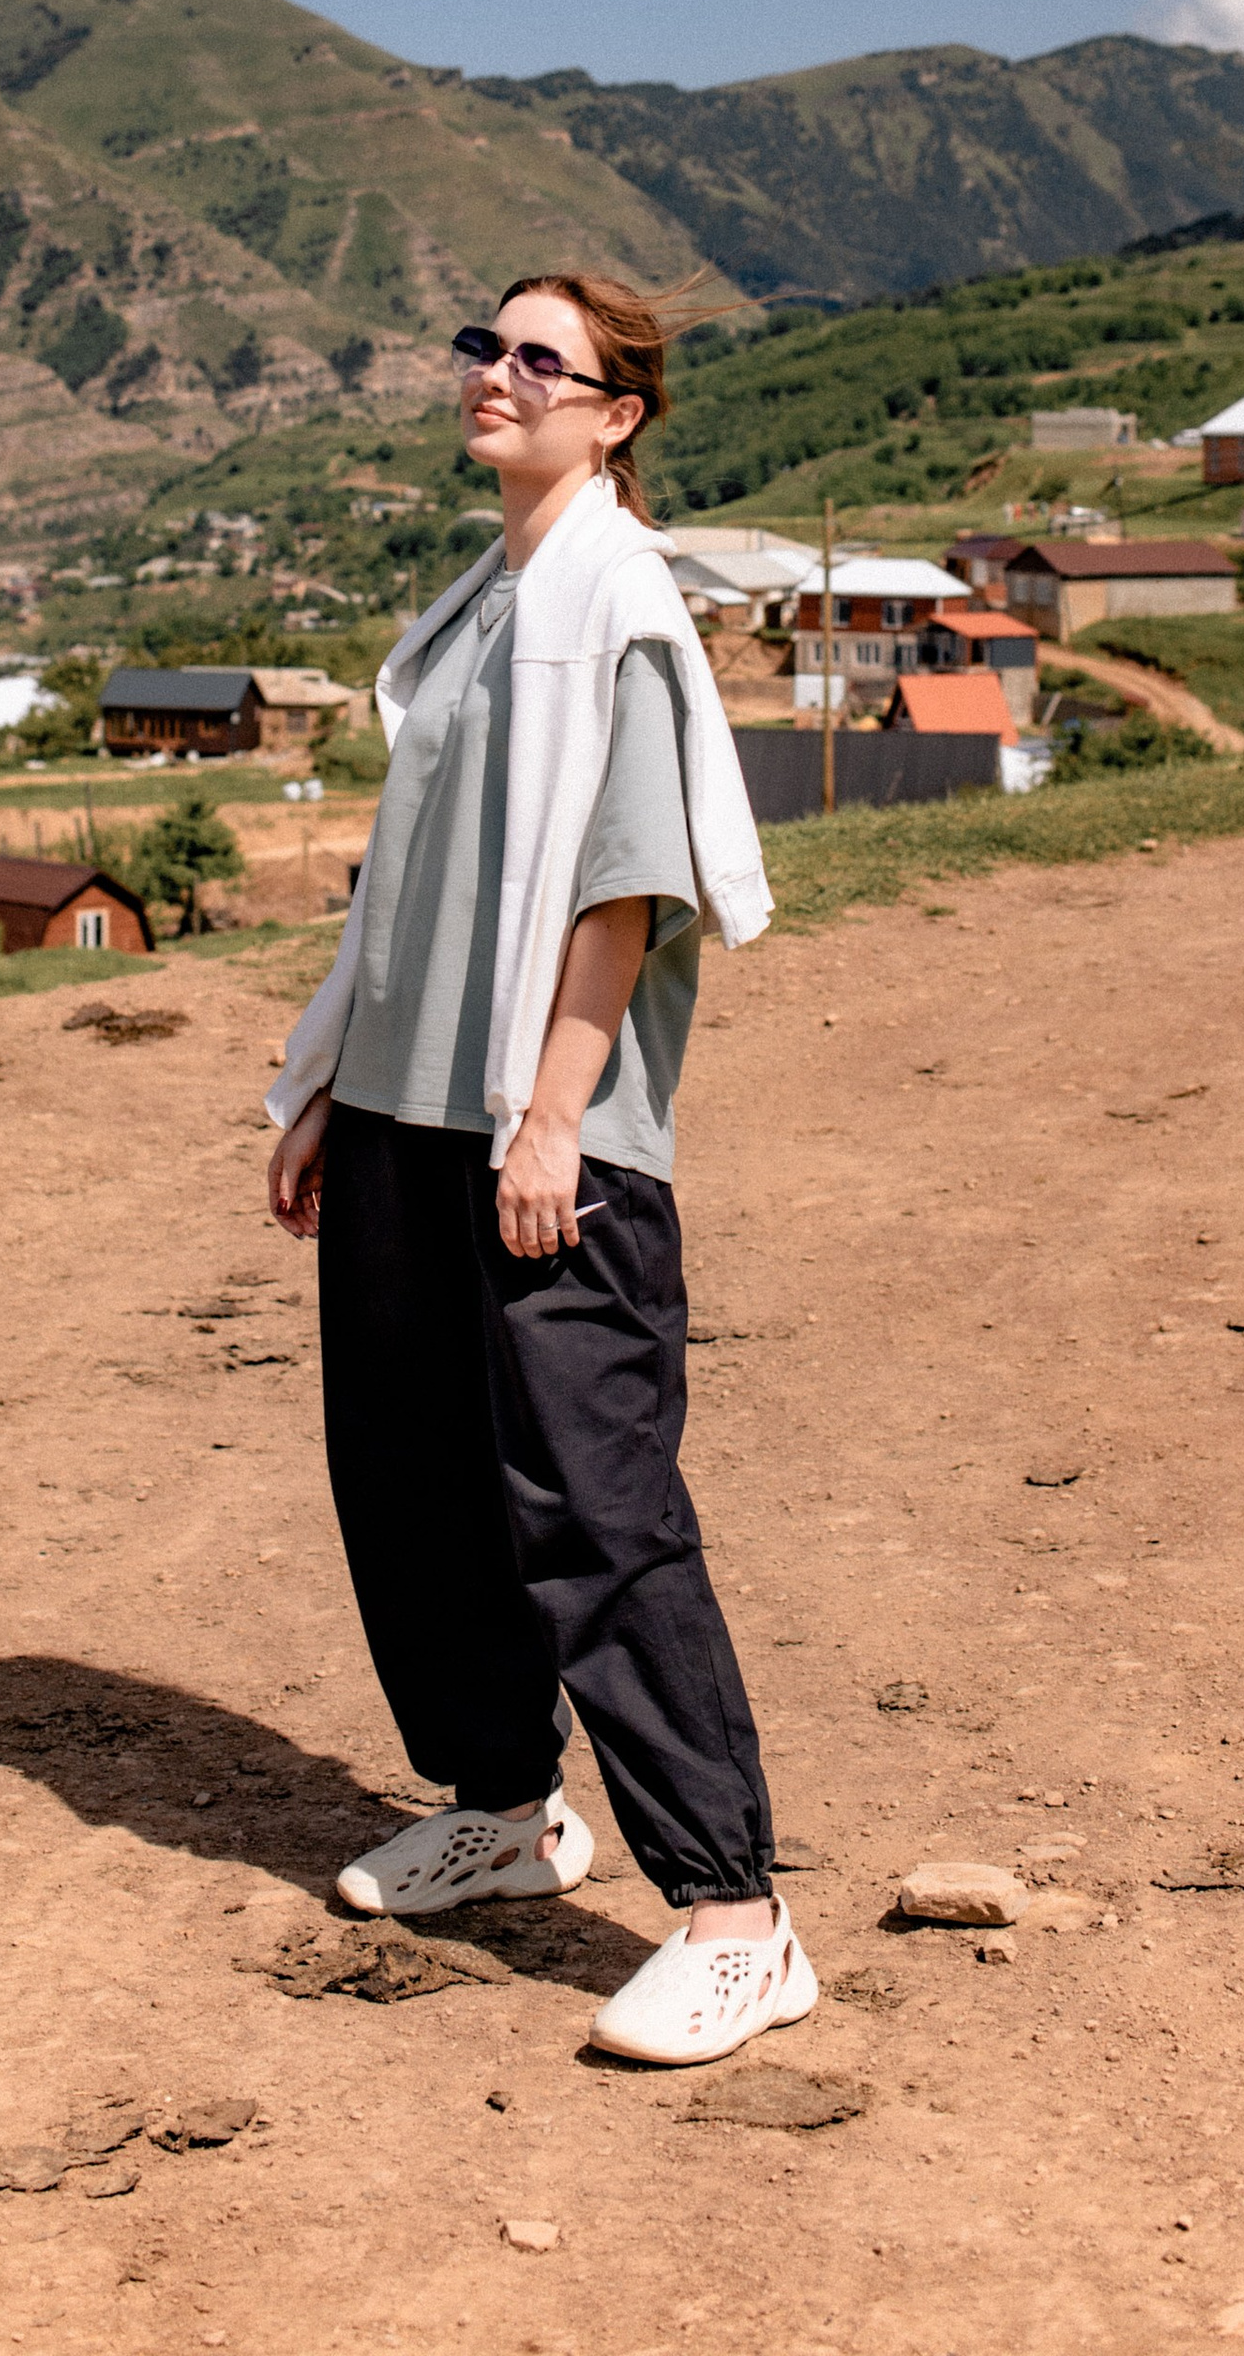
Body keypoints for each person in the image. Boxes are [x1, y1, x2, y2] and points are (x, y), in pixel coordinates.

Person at [263, 271, 814, 2067]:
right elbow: (410, 893)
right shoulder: (479, 610)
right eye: (483, 348)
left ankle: (738, 1915)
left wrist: (559, 1114)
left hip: (533, 1127)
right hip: (411, 1118)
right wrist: (336, 1083)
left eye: (537, 359)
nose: (495, 376)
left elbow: (625, 884)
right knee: (413, 1480)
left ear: (617, 410)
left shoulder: (617, 604)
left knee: (592, 1507)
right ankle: (506, 1807)